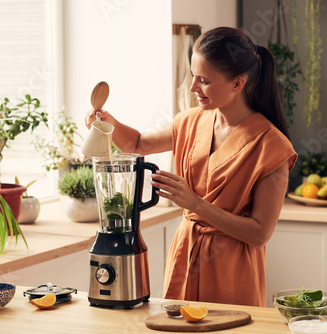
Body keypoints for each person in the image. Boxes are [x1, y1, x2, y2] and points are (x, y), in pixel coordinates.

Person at [84, 26, 297, 307]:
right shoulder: (191, 121)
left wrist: (194, 203)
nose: (193, 87)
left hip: (232, 270)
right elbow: (136, 143)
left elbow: (259, 234)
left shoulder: (272, 146)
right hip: (185, 254)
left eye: (204, 81)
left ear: (237, 84)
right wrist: (108, 123)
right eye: (193, 76)